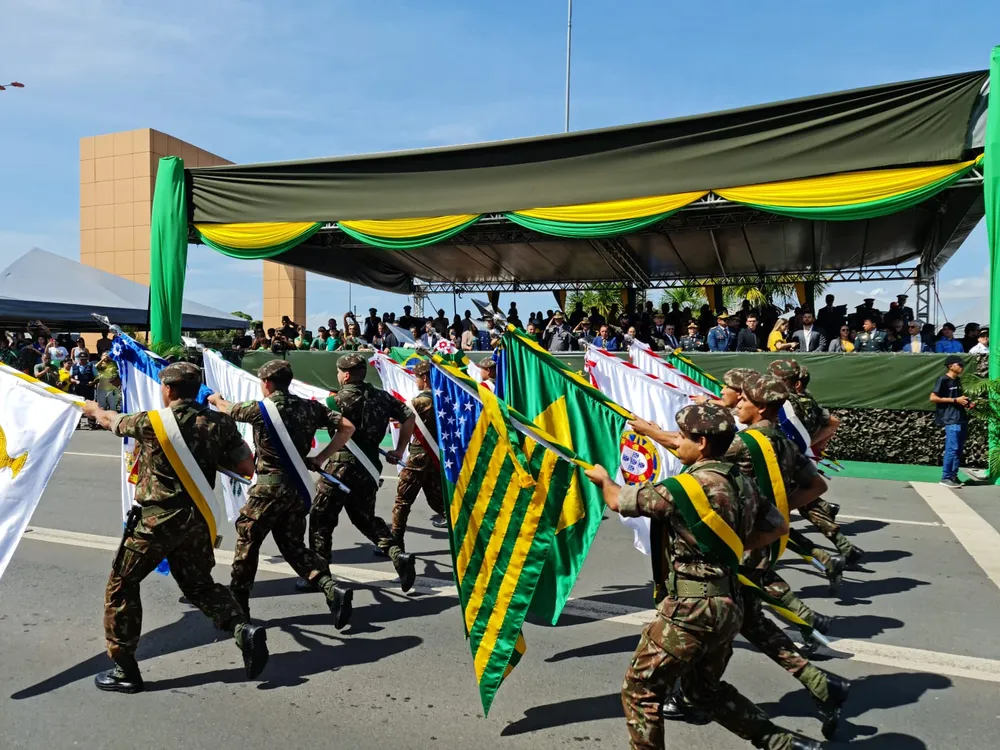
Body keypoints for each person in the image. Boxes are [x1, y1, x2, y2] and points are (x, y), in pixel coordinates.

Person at [583, 404, 820, 750]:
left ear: (703, 444)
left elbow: (620, 501)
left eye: (682, 437)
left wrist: (604, 480)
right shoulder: (744, 484)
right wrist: (735, 546)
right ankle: (783, 744)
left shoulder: (687, 487)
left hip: (691, 610)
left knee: (641, 691)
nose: (678, 443)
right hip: (729, 606)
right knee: (701, 692)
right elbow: (778, 525)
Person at [661, 375, 850, 740]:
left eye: (743, 398)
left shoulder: (745, 444)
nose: (737, 403)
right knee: (748, 621)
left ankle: (698, 696)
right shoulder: (782, 439)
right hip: (761, 544)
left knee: (729, 621)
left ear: (759, 406)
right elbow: (816, 486)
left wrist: (649, 430)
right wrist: (775, 511)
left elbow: (690, 449)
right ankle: (818, 682)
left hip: (740, 551)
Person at [80, 362, 266, 694]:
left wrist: (94, 409)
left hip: (157, 520)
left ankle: (124, 668)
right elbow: (245, 466)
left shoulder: (151, 422)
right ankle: (243, 631)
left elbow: (112, 421)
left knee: (121, 585)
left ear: (167, 390)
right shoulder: (220, 423)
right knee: (199, 586)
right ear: (196, 389)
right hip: (196, 520)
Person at [208, 360, 357, 627]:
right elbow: (347, 427)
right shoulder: (310, 407)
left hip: (268, 489)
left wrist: (216, 398)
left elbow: (227, 409)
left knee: (247, 543)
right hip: (297, 490)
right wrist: (321, 457)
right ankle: (330, 588)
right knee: (293, 545)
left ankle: (239, 607)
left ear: (266, 383)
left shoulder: (259, 409)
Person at [302, 354, 418, 593]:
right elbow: (409, 416)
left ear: (344, 375)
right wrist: (399, 449)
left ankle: (319, 575)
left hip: (340, 467)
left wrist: (319, 457)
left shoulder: (336, 401)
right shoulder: (382, 397)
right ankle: (396, 554)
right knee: (365, 518)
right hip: (368, 469)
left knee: (321, 520)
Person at [390, 360, 448, 549]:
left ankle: (395, 544)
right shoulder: (447, 398)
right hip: (439, 457)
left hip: (418, 458)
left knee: (402, 501)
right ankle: (470, 534)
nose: (415, 381)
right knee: (439, 501)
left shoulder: (418, 402)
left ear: (424, 377)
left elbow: (396, 416)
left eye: (416, 377)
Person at [930, 355, 971, 488]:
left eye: (962, 365)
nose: (962, 367)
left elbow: (957, 398)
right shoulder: (942, 380)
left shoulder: (957, 380)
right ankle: (945, 477)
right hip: (951, 419)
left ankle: (953, 476)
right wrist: (954, 400)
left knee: (958, 449)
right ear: (950, 366)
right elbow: (933, 398)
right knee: (952, 449)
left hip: (961, 418)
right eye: (959, 365)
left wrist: (966, 403)